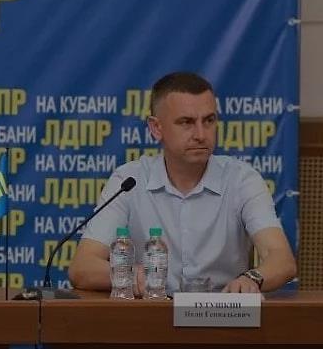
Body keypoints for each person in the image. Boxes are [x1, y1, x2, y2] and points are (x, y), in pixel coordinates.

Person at [68, 72, 296, 295]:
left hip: (222, 312)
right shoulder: (129, 181)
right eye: (186, 122)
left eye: (209, 121)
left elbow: (281, 259)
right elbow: (82, 267)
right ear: (156, 128)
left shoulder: (242, 179)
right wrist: (128, 274)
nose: (201, 134)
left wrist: (252, 278)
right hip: (151, 310)